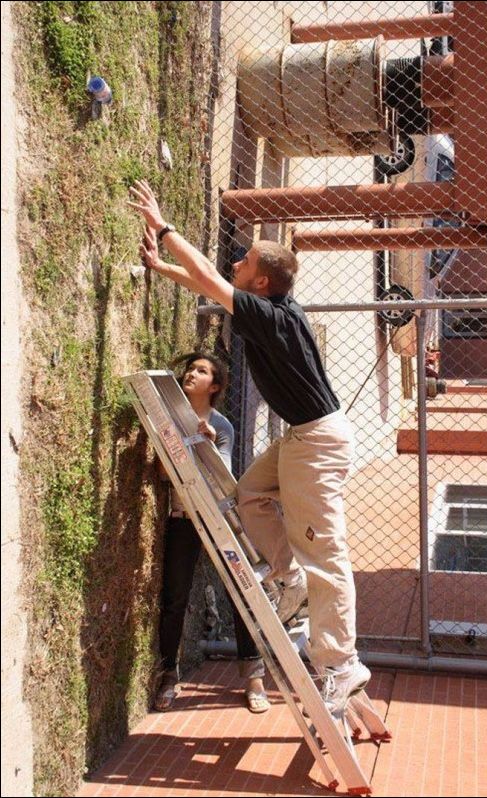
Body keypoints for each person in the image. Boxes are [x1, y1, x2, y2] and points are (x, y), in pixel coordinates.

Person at [128, 179, 371, 716]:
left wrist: (163, 227)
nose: (236, 262)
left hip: (318, 442)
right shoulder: (267, 306)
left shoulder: (273, 315)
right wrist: (162, 267)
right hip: (303, 436)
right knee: (250, 496)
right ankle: (288, 578)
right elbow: (211, 284)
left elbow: (209, 279)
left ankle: (340, 663)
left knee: (325, 555)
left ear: (260, 280)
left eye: (245, 261)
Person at [155, 351, 270, 714]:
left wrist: (206, 442)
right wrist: (173, 443)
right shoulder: (169, 418)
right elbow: (162, 473)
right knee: (174, 598)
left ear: (215, 386)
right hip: (183, 518)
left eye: (202, 371)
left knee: (241, 593)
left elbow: (220, 481)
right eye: (191, 368)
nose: (192, 373)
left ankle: (254, 679)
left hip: (218, 521)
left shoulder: (222, 426)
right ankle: (168, 675)